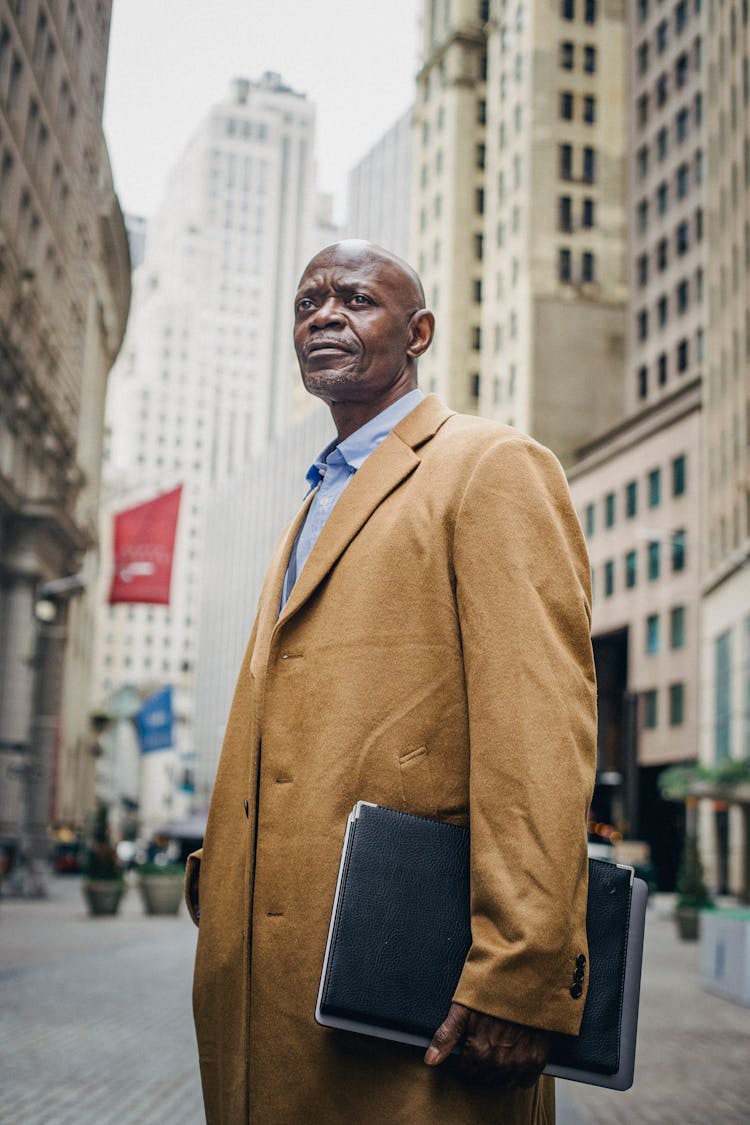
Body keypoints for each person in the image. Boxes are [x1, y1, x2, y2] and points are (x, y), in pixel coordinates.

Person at [188, 240, 597, 1123]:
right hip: (275, 995)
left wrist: (521, 968)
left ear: (418, 333)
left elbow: (539, 728)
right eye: (308, 303)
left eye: (356, 300)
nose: (325, 316)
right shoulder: (314, 497)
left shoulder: (490, 466)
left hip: (420, 1001)